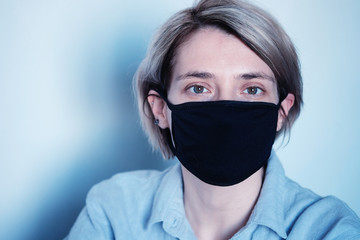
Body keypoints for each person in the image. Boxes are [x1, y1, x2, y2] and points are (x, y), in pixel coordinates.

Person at [65, 0, 360, 239]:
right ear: (159, 109)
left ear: (282, 111)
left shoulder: (327, 229)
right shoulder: (114, 211)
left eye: (252, 89)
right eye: (198, 88)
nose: (224, 109)